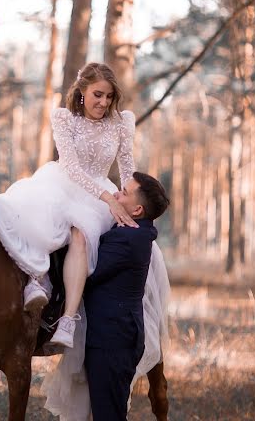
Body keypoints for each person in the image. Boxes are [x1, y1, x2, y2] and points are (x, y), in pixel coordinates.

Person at [0, 62, 139, 348]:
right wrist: (106, 199)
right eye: (97, 95)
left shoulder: (122, 123)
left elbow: (127, 168)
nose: (104, 102)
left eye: (109, 96)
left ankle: (66, 322)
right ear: (82, 92)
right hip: (63, 180)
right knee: (35, 206)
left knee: (81, 233)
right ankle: (35, 280)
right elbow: (70, 167)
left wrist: (127, 201)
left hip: (100, 192)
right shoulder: (65, 118)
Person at [84, 172, 170, 421]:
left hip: (112, 341)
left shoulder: (128, 239)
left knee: (109, 415)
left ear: (137, 210)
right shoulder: (137, 233)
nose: (115, 195)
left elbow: (89, 276)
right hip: (117, 337)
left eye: (123, 192)